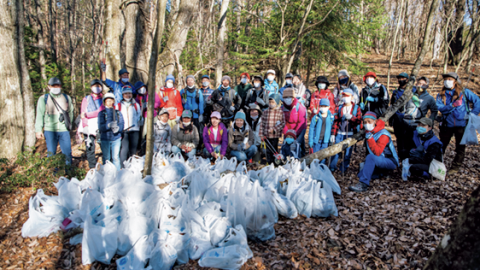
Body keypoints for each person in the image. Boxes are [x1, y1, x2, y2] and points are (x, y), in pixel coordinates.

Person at [436, 72, 480, 174]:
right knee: (441, 146)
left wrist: (472, 114)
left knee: (460, 148)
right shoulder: (441, 94)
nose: (447, 81)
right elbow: (440, 107)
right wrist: (451, 106)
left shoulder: (464, 93)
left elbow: (478, 102)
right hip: (447, 124)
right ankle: (437, 165)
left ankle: (455, 167)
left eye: (450, 79)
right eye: (446, 79)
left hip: (462, 125)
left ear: (455, 81)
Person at [348, 112, 399, 193]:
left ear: (375, 122)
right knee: (360, 174)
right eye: (365, 122)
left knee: (370, 158)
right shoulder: (370, 132)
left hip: (390, 161)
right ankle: (383, 173)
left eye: (369, 121)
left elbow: (378, 152)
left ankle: (363, 184)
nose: (367, 124)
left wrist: (370, 139)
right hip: (380, 160)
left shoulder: (383, 134)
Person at [35, 77, 74, 166]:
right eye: (53, 86)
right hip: (50, 130)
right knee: (51, 154)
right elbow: (39, 114)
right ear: (49, 87)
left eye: (58, 85)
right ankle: (53, 175)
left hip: (64, 129)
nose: (56, 87)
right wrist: (38, 130)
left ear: (61, 86)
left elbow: (70, 112)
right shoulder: (43, 98)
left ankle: (69, 174)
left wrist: (69, 125)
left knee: (67, 153)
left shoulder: (66, 97)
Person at [330, 89, 363, 172]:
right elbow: (336, 121)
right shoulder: (339, 108)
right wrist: (333, 134)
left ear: (352, 97)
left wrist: (352, 118)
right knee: (336, 151)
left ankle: (343, 168)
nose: (346, 98)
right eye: (344, 96)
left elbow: (359, 120)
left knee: (347, 153)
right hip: (339, 133)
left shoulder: (356, 108)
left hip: (350, 134)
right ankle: (332, 167)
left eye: (347, 96)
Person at [77, 79, 104, 169]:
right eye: (94, 86)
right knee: (90, 148)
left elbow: (100, 111)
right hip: (88, 126)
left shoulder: (104, 98)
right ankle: (92, 167)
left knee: (104, 146)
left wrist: (87, 114)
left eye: (98, 86)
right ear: (91, 87)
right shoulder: (86, 99)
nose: (97, 88)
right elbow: (82, 113)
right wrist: (85, 126)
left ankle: (106, 165)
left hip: (100, 125)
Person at [98, 93, 125, 170]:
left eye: (111, 101)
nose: (110, 103)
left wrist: (118, 129)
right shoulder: (101, 113)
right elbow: (100, 127)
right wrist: (108, 125)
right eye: (108, 101)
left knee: (116, 158)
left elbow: (122, 124)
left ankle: (117, 175)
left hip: (116, 138)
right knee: (106, 158)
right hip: (105, 138)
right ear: (105, 102)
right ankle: (107, 173)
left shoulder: (118, 113)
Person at [116, 85, 142, 167]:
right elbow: (116, 117)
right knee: (124, 149)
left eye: (129, 93)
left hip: (134, 130)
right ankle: (122, 168)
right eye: (126, 93)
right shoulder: (119, 105)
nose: (128, 95)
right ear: (123, 95)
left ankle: (132, 166)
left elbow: (139, 116)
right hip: (124, 130)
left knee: (133, 150)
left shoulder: (136, 105)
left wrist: (140, 121)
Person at [259, 94, 285, 165]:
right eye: (269, 102)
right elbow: (262, 124)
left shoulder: (280, 112)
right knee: (268, 151)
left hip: (275, 136)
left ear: (276, 102)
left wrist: (274, 129)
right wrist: (261, 134)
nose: (271, 104)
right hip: (266, 136)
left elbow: (282, 123)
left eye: (273, 102)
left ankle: (276, 163)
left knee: (274, 150)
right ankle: (269, 163)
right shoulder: (265, 112)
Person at [389, 72, 410, 160]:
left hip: (408, 118)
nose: (401, 80)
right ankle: (401, 156)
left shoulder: (410, 91)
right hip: (397, 119)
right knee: (399, 139)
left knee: (408, 138)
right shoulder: (395, 92)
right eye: (399, 78)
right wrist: (390, 118)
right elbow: (392, 105)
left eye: (403, 78)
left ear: (407, 80)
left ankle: (408, 156)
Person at [281, 88, 307, 157]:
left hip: (299, 129)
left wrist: (295, 133)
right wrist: (287, 133)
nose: (287, 99)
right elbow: (283, 121)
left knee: (298, 144)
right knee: (286, 145)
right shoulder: (283, 108)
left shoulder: (299, 106)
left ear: (293, 98)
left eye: (289, 97)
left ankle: (300, 157)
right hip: (288, 130)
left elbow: (302, 121)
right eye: (285, 97)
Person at [308, 99, 335, 164]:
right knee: (315, 156)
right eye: (322, 106)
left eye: (325, 106)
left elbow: (333, 129)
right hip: (316, 141)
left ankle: (321, 169)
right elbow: (311, 129)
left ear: (328, 107)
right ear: (319, 107)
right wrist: (310, 140)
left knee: (323, 156)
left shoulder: (331, 118)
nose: (323, 108)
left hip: (325, 141)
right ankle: (314, 169)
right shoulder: (316, 117)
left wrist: (332, 137)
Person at [180, 75, 204, 146]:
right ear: (186, 82)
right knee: (185, 131)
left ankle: (197, 146)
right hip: (186, 115)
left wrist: (201, 114)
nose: (190, 81)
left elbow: (201, 102)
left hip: (196, 115)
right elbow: (179, 103)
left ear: (194, 81)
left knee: (196, 131)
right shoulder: (182, 91)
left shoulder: (198, 91)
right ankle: (185, 145)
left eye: (191, 80)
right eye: (188, 80)